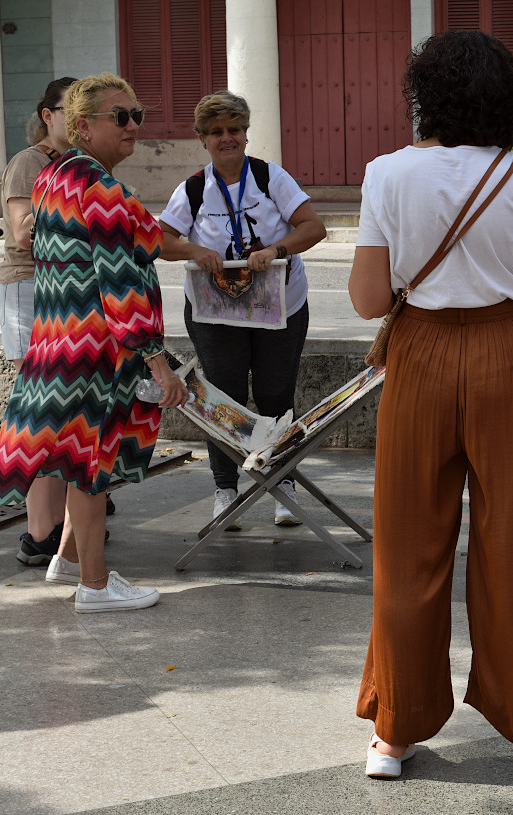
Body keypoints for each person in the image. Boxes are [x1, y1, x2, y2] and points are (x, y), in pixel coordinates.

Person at [348, 31, 513, 782]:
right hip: (508, 357)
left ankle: (394, 730)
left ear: (426, 96)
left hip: (418, 356)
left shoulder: (385, 174)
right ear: (505, 103)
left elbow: (369, 299)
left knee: (407, 543)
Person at [0, 73, 189, 613]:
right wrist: (158, 362)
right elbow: (121, 279)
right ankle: (95, 586)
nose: (133, 126)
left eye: (136, 115)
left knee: (75, 461)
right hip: (95, 350)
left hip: (59, 344)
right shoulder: (96, 185)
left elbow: (145, 234)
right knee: (92, 468)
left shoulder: (56, 177)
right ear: (81, 126)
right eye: (119, 116)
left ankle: (69, 560)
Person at [159, 91, 326, 529]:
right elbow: (160, 240)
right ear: (202, 138)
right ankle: (225, 489)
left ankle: (281, 482)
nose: (226, 138)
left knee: (275, 395)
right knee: (224, 402)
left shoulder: (271, 178)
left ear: (246, 134)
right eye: (216, 132)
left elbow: (314, 226)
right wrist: (195, 248)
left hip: (280, 310)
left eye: (234, 130)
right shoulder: (193, 188)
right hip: (217, 316)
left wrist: (277, 249)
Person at [0, 78, 74, 567]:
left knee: (62, 411)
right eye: (73, 109)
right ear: (48, 114)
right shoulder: (31, 161)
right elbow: (24, 233)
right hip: (32, 288)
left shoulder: (75, 164)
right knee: (39, 412)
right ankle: (38, 531)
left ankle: (63, 523)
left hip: (63, 292)